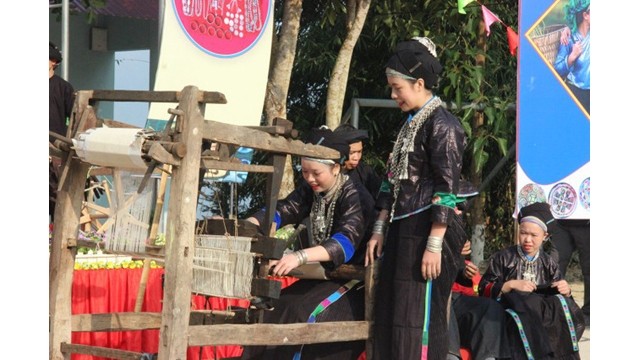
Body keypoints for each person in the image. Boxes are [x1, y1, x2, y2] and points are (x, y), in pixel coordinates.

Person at [365, 36, 470, 360]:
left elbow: (446, 188)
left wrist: (435, 243)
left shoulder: (443, 124)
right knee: (392, 317)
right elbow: (392, 178)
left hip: (428, 231)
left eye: (397, 88)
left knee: (418, 319)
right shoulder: (411, 123)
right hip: (403, 230)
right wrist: (380, 227)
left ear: (420, 83)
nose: (393, 94)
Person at [241, 126, 375, 360]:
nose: (310, 178)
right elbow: (285, 209)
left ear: (335, 168)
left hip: (356, 278)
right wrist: (249, 224)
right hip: (325, 276)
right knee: (274, 307)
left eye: (316, 173)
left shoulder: (356, 196)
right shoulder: (310, 191)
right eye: (304, 172)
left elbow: (345, 242)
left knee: (302, 312)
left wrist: (298, 256)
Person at [478, 202, 585, 360]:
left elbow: (561, 303)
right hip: (511, 319)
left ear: (545, 236)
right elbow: (483, 289)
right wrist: (509, 285)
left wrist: (566, 290)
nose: (527, 239)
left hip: (542, 322)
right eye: (523, 233)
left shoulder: (549, 263)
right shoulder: (503, 258)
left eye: (534, 235)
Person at [450, 241, 512, 360]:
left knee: (489, 307)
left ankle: (489, 357)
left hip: (454, 296)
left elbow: (458, 271)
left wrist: (464, 273)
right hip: (429, 295)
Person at [49, 41, 76, 221]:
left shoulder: (64, 88)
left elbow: (74, 119)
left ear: (53, 62)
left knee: (54, 194)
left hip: (55, 147)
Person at [553, 0, 590, 114]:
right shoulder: (569, 39)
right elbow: (557, 68)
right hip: (576, 93)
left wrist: (566, 27)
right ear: (585, 15)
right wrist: (572, 57)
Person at [551, 219, 590, 326]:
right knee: (553, 266)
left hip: (587, 222)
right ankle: (552, 308)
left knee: (589, 269)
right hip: (561, 222)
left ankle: (589, 312)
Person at [333, 123, 383, 201]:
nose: (356, 158)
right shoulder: (325, 173)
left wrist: (384, 209)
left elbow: (384, 190)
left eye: (359, 152)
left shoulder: (366, 171)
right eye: (351, 153)